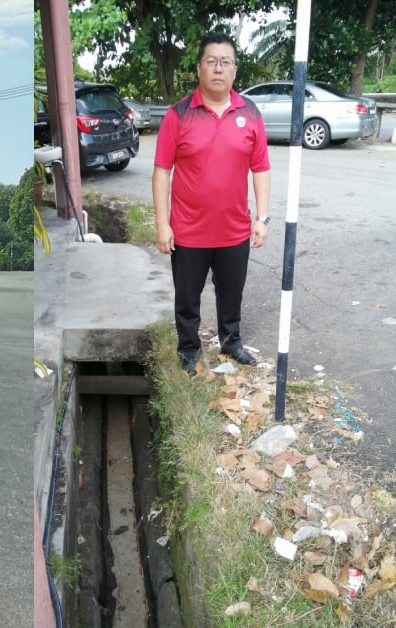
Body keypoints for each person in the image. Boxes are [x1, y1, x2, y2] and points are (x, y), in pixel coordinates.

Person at [152, 31, 271, 374]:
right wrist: (163, 224)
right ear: (199, 69)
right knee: (186, 299)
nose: (219, 68)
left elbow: (260, 168)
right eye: (211, 62)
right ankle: (188, 350)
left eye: (226, 62)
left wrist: (262, 217)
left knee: (231, 294)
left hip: (234, 230)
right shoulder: (178, 115)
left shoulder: (250, 114)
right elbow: (162, 171)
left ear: (234, 70)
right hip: (188, 231)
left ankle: (231, 343)